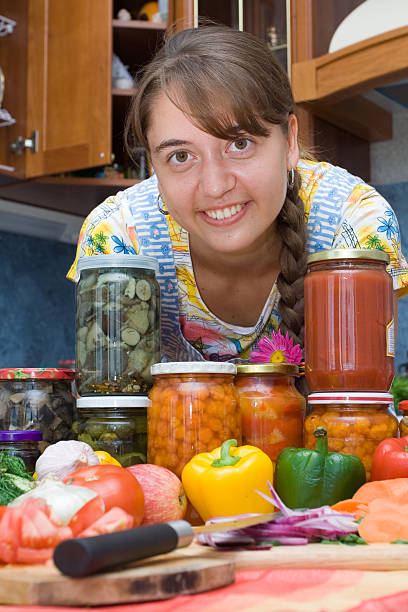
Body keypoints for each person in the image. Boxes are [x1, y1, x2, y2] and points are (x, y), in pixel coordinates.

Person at [68, 24, 408, 364]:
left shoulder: (352, 224)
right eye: (181, 156)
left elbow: (357, 405)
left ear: (289, 142)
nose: (215, 186)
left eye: (240, 144)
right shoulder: (119, 239)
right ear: (154, 165)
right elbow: (112, 404)